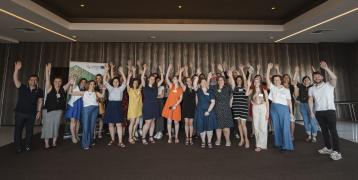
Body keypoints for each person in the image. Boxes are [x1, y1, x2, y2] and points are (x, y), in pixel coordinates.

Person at [308, 61, 342, 161]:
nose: (317, 78)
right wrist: (311, 112)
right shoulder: (311, 88)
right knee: (324, 131)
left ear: (322, 77)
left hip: (330, 111)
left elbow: (334, 78)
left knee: (333, 131)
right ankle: (328, 147)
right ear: (313, 78)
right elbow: (310, 100)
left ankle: (337, 151)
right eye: (315, 77)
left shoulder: (329, 84)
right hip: (319, 112)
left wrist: (326, 68)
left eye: (318, 76)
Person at [13, 61, 43, 153]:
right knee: (18, 130)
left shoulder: (39, 90)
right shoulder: (22, 87)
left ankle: (28, 146)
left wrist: (39, 112)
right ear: (28, 80)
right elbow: (15, 80)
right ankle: (18, 146)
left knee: (30, 131)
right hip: (20, 113)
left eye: (35, 80)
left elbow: (40, 101)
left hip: (31, 114)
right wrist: (16, 70)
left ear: (37, 81)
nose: (33, 81)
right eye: (31, 79)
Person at [41, 63, 71, 149]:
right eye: (56, 81)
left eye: (59, 81)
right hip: (48, 111)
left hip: (58, 111)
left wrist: (72, 78)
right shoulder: (50, 88)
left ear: (61, 83)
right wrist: (47, 70)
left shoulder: (63, 89)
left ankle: (54, 142)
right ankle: (46, 143)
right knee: (47, 126)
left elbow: (69, 83)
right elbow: (47, 80)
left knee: (56, 126)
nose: (58, 83)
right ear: (53, 82)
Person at [69, 80, 105, 150]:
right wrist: (71, 85)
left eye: (94, 84)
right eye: (91, 84)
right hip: (86, 110)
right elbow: (71, 93)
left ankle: (90, 141)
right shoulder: (84, 92)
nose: (92, 85)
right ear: (88, 85)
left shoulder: (96, 93)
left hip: (95, 109)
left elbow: (102, 96)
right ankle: (85, 144)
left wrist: (103, 89)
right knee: (86, 126)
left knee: (92, 126)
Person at [266, 63, 294, 151]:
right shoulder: (273, 88)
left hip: (283, 109)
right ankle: (278, 143)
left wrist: (291, 113)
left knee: (285, 127)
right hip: (274, 108)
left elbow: (289, 101)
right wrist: (268, 69)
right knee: (276, 126)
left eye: (278, 79)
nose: (276, 81)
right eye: (275, 80)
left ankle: (286, 145)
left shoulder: (286, 89)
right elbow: (267, 79)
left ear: (280, 80)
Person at [103, 64, 127, 147]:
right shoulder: (110, 88)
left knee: (119, 124)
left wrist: (122, 72)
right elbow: (104, 81)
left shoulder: (121, 88)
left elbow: (125, 81)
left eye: (117, 81)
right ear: (112, 83)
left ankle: (120, 141)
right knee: (110, 124)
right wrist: (106, 71)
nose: (116, 82)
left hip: (118, 106)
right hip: (110, 106)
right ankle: (112, 139)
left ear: (118, 83)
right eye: (114, 81)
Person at [212, 64, 235, 147]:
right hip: (217, 108)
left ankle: (227, 140)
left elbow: (233, 84)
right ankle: (218, 139)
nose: (220, 81)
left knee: (226, 127)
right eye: (219, 80)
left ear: (224, 81)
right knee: (218, 127)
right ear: (217, 81)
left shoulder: (228, 87)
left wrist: (229, 74)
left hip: (226, 108)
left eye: (222, 80)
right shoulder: (214, 88)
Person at [293, 67, 318, 143]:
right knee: (306, 120)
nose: (306, 81)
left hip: (311, 105)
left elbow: (316, 78)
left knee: (312, 120)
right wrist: (296, 71)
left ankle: (314, 136)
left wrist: (314, 71)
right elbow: (294, 81)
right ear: (303, 81)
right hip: (302, 105)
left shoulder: (313, 86)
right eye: (305, 80)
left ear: (310, 81)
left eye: (308, 80)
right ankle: (309, 135)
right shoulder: (300, 86)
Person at [193, 70, 217, 148]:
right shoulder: (198, 90)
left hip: (209, 111)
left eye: (205, 82)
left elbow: (213, 102)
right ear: (200, 83)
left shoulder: (210, 91)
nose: (203, 83)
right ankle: (203, 141)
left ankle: (209, 141)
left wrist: (208, 111)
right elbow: (194, 85)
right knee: (201, 126)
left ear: (207, 83)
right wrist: (198, 75)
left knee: (209, 127)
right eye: (202, 82)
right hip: (200, 111)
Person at [141, 64, 164, 145]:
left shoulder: (156, 87)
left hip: (155, 105)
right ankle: (143, 138)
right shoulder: (145, 86)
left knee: (153, 122)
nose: (152, 80)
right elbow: (141, 78)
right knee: (147, 122)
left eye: (154, 79)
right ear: (148, 79)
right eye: (151, 79)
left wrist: (161, 71)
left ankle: (150, 137)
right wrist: (144, 69)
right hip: (147, 106)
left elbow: (162, 80)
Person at [246, 76, 269, 152]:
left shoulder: (263, 89)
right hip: (255, 108)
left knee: (263, 127)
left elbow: (267, 101)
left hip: (263, 108)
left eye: (258, 81)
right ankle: (258, 145)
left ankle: (263, 145)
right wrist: (249, 86)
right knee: (256, 127)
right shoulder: (252, 90)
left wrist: (267, 112)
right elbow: (246, 94)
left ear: (260, 82)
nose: (256, 83)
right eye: (255, 81)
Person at [162, 64, 183, 144]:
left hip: (176, 106)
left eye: (175, 79)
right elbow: (166, 78)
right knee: (169, 122)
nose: (173, 80)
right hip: (169, 106)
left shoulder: (180, 88)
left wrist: (175, 105)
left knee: (176, 122)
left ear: (178, 80)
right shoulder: (171, 86)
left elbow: (180, 99)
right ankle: (170, 137)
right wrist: (169, 68)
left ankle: (176, 137)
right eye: (173, 79)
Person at [232, 65, 251, 148]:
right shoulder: (234, 88)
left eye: (240, 80)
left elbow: (245, 79)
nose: (239, 81)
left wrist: (242, 70)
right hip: (236, 108)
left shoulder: (244, 87)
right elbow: (231, 79)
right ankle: (242, 139)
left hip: (243, 108)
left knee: (243, 125)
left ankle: (246, 140)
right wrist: (229, 73)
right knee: (239, 124)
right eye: (238, 80)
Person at [65, 78, 87, 144]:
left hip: (80, 106)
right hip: (73, 105)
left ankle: (76, 134)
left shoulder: (86, 90)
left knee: (78, 121)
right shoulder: (75, 86)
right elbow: (69, 92)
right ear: (79, 82)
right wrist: (72, 83)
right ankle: (73, 136)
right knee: (73, 121)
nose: (83, 83)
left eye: (84, 82)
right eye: (82, 82)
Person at [179, 66, 196, 145]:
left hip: (192, 107)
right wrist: (180, 72)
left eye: (190, 80)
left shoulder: (194, 88)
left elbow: (196, 98)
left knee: (191, 123)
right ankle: (187, 138)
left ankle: (190, 138)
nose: (189, 81)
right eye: (187, 80)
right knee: (186, 123)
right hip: (185, 106)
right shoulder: (184, 87)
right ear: (186, 82)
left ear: (191, 81)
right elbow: (179, 80)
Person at [126, 65, 143, 144]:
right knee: (132, 123)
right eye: (134, 83)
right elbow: (127, 84)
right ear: (132, 83)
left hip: (138, 109)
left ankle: (133, 135)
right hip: (132, 109)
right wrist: (130, 76)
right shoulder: (130, 90)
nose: (135, 84)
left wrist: (143, 72)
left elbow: (142, 82)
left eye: (136, 83)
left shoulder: (139, 89)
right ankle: (130, 137)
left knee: (136, 123)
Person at [95, 74, 105, 139]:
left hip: (101, 104)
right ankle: (93, 133)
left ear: (101, 79)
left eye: (99, 78)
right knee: (94, 120)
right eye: (97, 78)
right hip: (94, 104)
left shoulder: (103, 85)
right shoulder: (93, 85)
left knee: (101, 119)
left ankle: (99, 133)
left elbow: (104, 96)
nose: (98, 79)